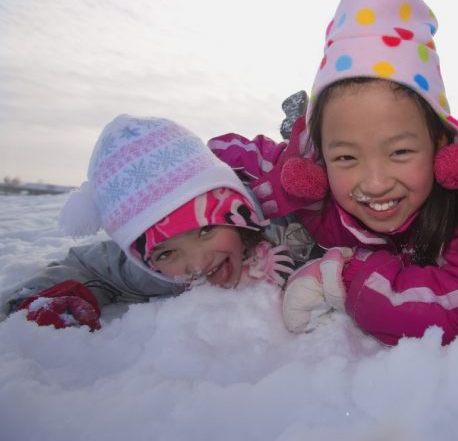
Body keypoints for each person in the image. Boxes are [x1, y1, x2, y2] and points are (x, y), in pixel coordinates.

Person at [210, 0, 458, 345]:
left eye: (399, 152)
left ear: (441, 146)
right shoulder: (310, 179)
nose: (375, 182)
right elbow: (211, 161)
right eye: (346, 158)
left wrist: (344, 278)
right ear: (319, 157)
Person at [1, 114, 307, 330]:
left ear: (236, 209)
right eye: (166, 253)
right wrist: (33, 302)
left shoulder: (291, 215)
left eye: (205, 230)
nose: (198, 263)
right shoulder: (153, 274)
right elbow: (91, 266)